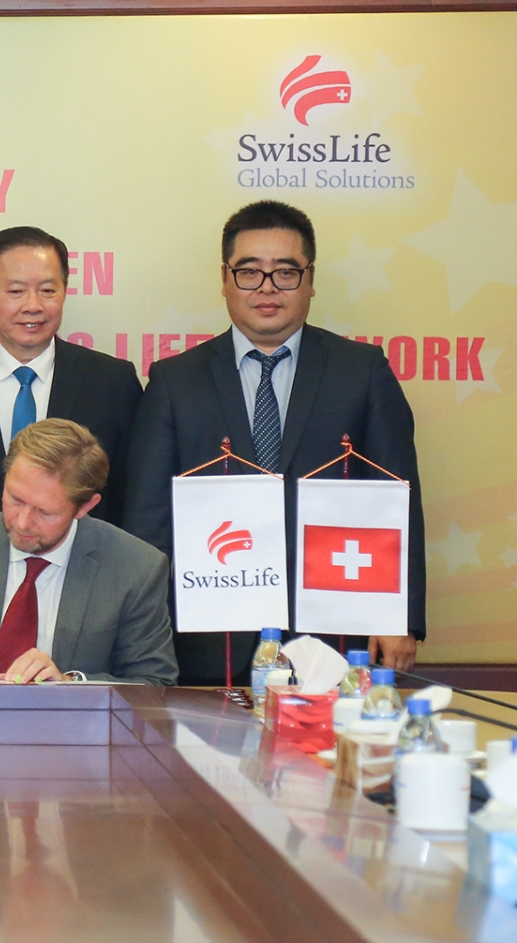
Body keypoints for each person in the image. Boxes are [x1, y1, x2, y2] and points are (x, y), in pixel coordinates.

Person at [124, 200, 424, 684]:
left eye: (285, 272)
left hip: (335, 632)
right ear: (225, 279)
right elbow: (148, 520)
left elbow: (398, 499)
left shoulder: (362, 372)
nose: (267, 288)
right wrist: (139, 631)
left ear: (310, 279)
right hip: (210, 637)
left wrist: (400, 617)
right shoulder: (175, 381)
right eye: (249, 272)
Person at [0, 418, 176, 685]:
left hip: (68, 720)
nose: (22, 522)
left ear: (85, 507)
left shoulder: (135, 568)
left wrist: (69, 685)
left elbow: (153, 683)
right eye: (15, 499)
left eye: (44, 512)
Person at [0, 225, 141, 538]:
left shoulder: (112, 383)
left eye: (47, 291)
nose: (33, 306)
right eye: (16, 291)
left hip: (82, 563)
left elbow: (127, 493)